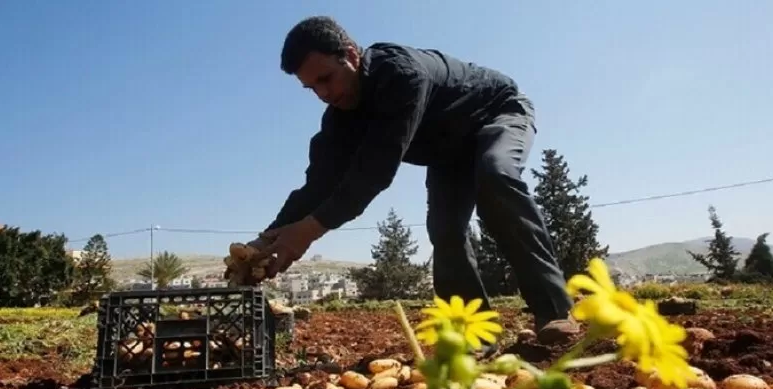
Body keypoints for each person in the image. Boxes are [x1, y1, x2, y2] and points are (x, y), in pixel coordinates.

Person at [249, 16, 580, 346]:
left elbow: (374, 171)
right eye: (312, 88)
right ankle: (473, 337)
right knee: (445, 229)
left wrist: (309, 231)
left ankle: (554, 311)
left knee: (496, 175)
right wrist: (266, 241)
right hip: (448, 153)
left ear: (350, 54)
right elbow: (318, 184)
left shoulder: (400, 74)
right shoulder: (340, 118)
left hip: (496, 114)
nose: (323, 94)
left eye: (326, 79)